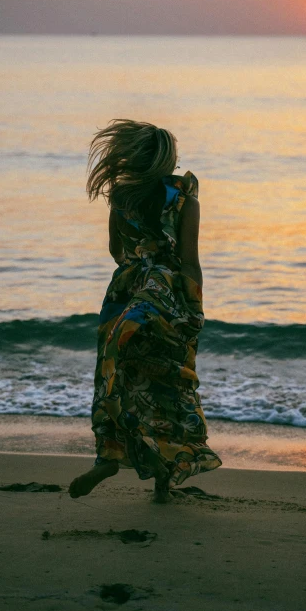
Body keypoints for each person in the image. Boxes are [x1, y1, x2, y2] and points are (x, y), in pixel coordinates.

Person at [69, 119, 221, 503]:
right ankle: (163, 486)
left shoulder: (121, 197)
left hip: (125, 290)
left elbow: (115, 250)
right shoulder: (185, 198)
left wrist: (137, 262)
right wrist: (194, 308)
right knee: (168, 380)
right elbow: (190, 260)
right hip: (166, 291)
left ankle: (108, 455)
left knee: (116, 372)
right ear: (167, 158)